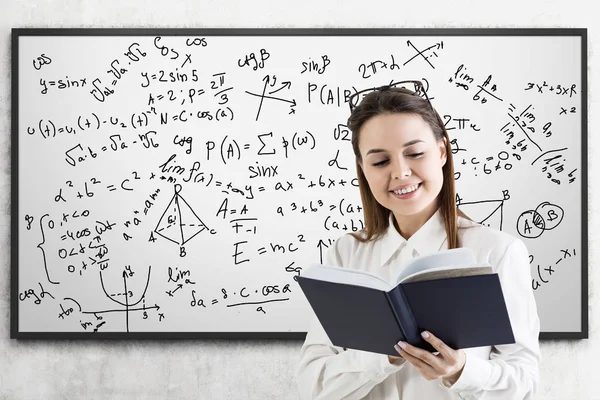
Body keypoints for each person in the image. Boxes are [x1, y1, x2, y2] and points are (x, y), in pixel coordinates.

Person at [295, 81, 541, 399]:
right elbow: (312, 385)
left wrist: (461, 371)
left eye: (415, 153)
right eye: (380, 161)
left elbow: (526, 385)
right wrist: (383, 356)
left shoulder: (497, 251)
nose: (400, 172)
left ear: (441, 152)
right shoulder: (347, 253)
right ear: (363, 169)